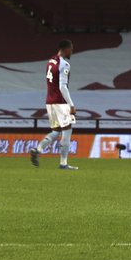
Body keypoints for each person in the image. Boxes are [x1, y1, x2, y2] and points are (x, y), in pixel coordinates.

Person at [30, 39, 78, 170]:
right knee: (67, 130)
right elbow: (63, 86)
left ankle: (38, 149)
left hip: (49, 102)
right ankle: (63, 163)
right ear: (66, 49)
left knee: (56, 131)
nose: (72, 51)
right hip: (60, 103)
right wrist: (71, 105)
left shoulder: (50, 61)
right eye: (71, 49)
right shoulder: (64, 64)